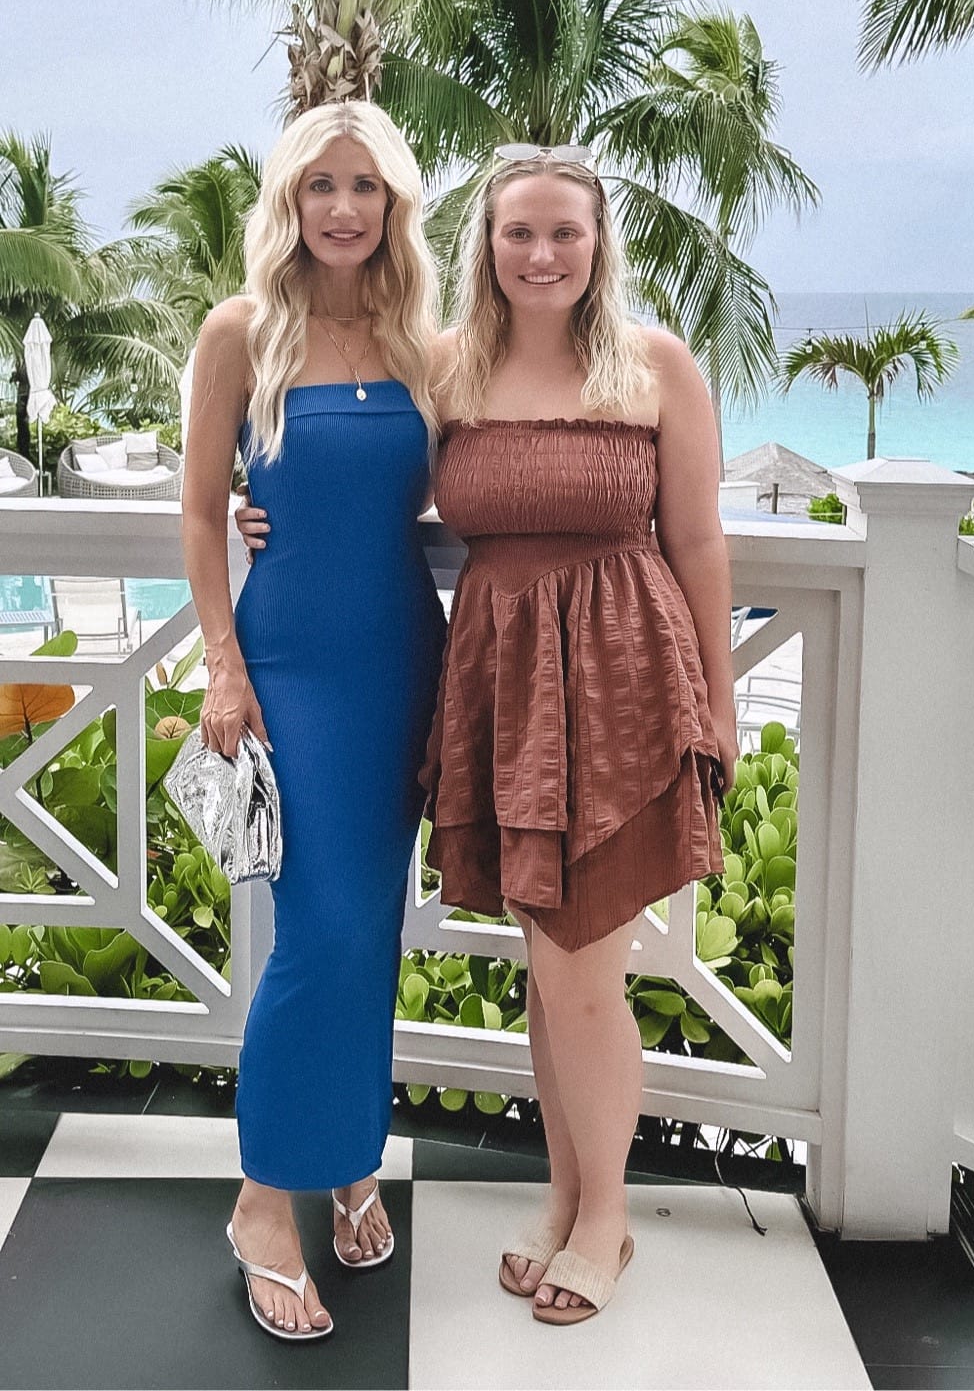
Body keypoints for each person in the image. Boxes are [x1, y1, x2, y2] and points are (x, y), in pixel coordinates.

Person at [237, 144, 737, 1325]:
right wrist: (256, 511)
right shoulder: (448, 368)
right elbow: (366, 475)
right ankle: (568, 1202)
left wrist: (715, 699)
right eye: (519, 232)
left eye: (565, 232)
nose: (543, 253)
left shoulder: (657, 365)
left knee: (581, 979)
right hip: (506, 691)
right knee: (546, 969)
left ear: (600, 241)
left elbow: (704, 546)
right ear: (485, 245)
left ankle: (604, 1222)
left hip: (622, 682)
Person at [182, 99, 445, 1341]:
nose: (343, 206)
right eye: (321, 184)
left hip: (404, 660)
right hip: (289, 663)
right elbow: (195, 515)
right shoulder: (241, 333)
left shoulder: (421, 340)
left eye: (366, 186)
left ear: (395, 205)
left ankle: (350, 1156)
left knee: (372, 929)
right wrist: (224, 663)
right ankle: (261, 1202)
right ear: (288, 200)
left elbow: (477, 480)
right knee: (318, 934)